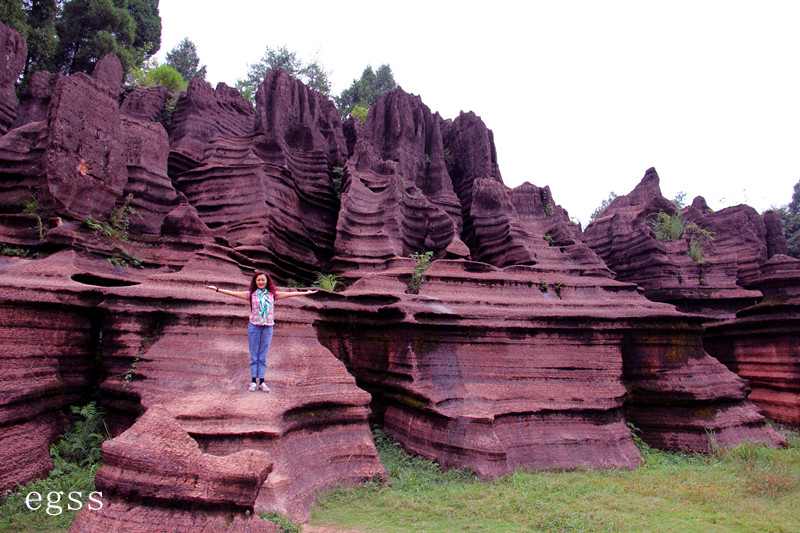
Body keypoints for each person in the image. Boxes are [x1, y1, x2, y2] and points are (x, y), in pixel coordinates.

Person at [204, 271, 317, 392]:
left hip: (268, 327)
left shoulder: (273, 295)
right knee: (254, 355)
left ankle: (262, 382)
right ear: (255, 282)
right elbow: (233, 293)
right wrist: (217, 289)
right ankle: (253, 381)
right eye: (258, 280)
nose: (261, 282)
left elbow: (290, 294)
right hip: (254, 326)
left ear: (267, 281)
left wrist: (306, 293)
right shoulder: (251, 294)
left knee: (262, 356)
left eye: (263, 280)